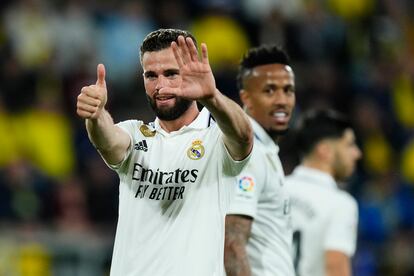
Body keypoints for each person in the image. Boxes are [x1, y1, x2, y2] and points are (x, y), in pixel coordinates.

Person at [76, 28, 253, 276]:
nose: (161, 86)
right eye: (151, 75)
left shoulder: (216, 139)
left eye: (171, 74)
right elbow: (107, 139)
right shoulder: (135, 134)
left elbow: (244, 136)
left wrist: (212, 96)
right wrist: (95, 115)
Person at [224, 45, 295, 275]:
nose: (282, 100)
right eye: (270, 91)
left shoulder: (266, 151)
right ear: (246, 97)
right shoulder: (248, 155)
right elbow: (232, 244)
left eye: (288, 90)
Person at [286, 109, 362, 276]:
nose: (357, 153)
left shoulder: (277, 188)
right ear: (324, 150)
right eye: (349, 144)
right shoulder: (341, 204)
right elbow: (335, 267)